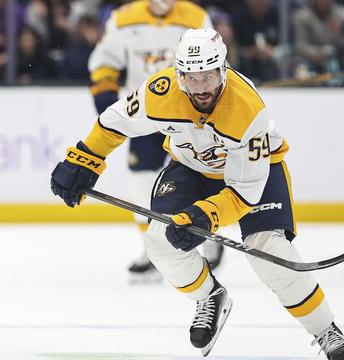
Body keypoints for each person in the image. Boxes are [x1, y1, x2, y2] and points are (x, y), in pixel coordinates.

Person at [50, 28, 344, 359]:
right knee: (158, 240)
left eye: (207, 77)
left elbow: (243, 192)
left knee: (267, 249)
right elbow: (115, 121)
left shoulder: (247, 109)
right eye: (191, 78)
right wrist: (85, 158)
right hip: (191, 169)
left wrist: (205, 216)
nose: (200, 88)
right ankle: (209, 297)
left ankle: (325, 329)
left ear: (222, 69)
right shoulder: (160, 91)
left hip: (255, 177)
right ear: (179, 75)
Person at [87, 0, 224, 282]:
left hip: (189, 111)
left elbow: (218, 63)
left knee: (200, 172)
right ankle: (152, 247)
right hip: (148, 111)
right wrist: (105, 92)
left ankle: (208, 231)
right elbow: (104, 60)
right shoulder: (124, 18)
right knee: (141, 179)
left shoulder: (195, 16)